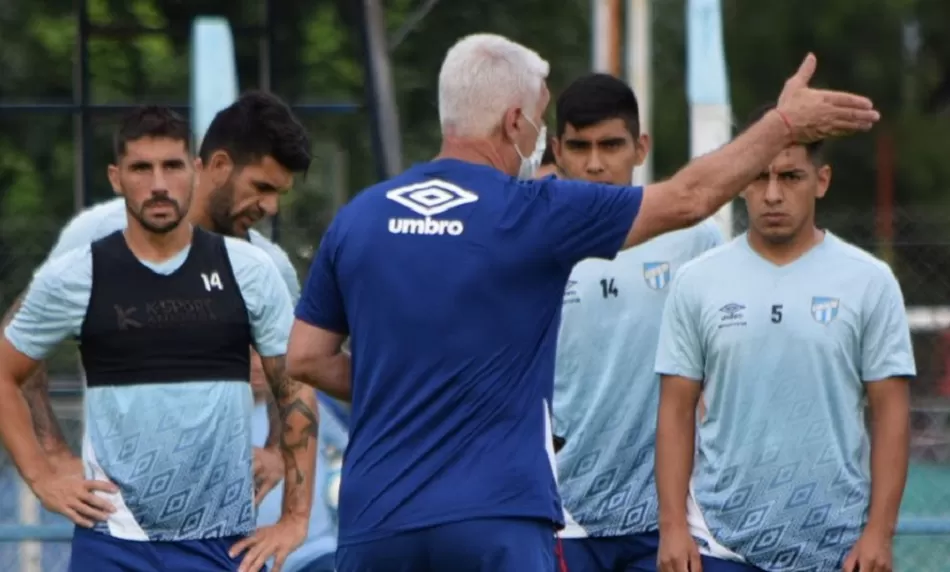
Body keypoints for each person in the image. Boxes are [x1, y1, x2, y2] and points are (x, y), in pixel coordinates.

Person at [285, 32, 879, 572]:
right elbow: (689, 197)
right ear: (514, 122)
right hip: (496, 515)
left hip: (377, 516)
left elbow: (306, 357)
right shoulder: (529, 211)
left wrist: (405, 387)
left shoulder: (357, 218)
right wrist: (782, 124)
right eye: (540, 121)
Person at [0, 106, 318, 572]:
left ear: (193, 170)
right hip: (113, 536)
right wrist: (47, 463)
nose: (158, 184)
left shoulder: (260, 268)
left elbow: (293, 382)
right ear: (116, 177)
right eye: (141, 169)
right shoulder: (86, 256)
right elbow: (13, 356)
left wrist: (284, 482)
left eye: (171, 166)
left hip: (223, 538)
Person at [653, 103, 914, 572]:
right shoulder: (697, 281)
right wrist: (673, 527)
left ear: (822, 180)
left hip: (837, 547)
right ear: (740, 181)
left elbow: (891, 413)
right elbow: (675, 410)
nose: (772, 194)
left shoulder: (869, 281)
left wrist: (879, 533)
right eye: (759, 176)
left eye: (791, 177)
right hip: (718, 545)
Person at [549, 73, 723, 571]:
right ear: (557, 151)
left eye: (611, 145)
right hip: (561, 514)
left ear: (640, 147)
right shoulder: (535, 241)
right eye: (579, 146)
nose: (595, 163)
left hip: (666, 521)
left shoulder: (694, 240)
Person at [252, 348, 350, 572]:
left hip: (316, 550)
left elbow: (354, 446)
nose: (256, 364)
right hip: (254, 560)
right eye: (248, 355)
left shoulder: (311, 404)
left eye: (261, 354)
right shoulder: (222, 418)